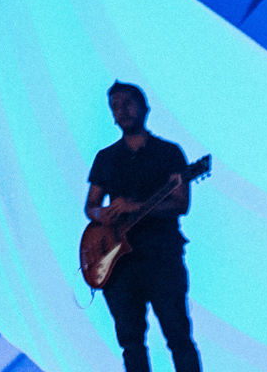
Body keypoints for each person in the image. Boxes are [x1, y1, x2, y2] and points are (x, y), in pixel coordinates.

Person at [85, 82, 201, 372]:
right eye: (115, 106)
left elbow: (180, 203)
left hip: (161, 256)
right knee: (131, 342)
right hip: (118, 264)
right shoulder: (105, 158)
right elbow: (91, 206)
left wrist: (136, 207)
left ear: (144, 107)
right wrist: (105, 213)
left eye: (127, 103)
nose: (121, 111)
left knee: (178, 336)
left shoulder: (169, 152)